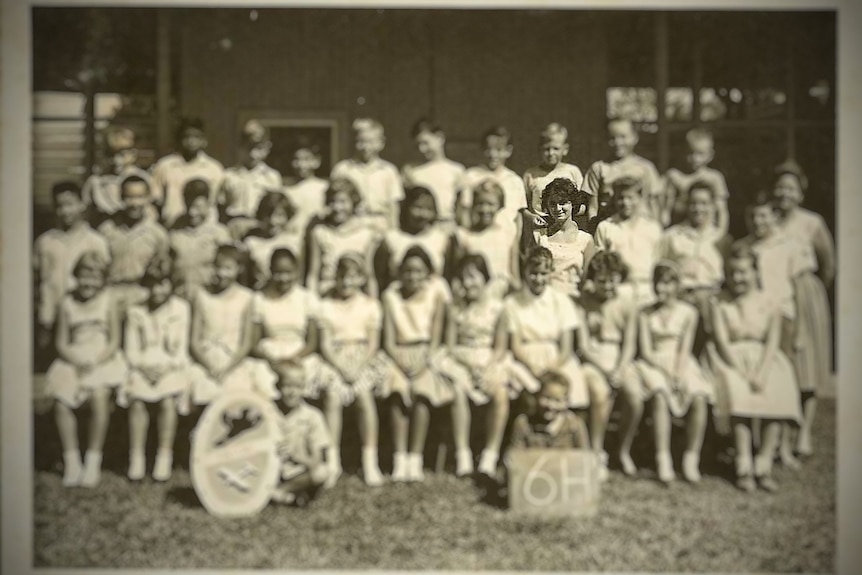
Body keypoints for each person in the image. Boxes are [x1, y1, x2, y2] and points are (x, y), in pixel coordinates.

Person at [707, 243, 801, 492]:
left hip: (765, 358)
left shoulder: (770, 301)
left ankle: (764, 465)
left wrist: (760, 371)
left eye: (744, 272)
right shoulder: (720, 302)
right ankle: (744, 465)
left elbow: (772, 341)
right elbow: (721, 340)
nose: (738, 278)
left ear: (755, 272)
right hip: (730, 358)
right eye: (733, 272)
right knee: (739, 397)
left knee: (776, 392)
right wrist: (740, 369)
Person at [250, 247, 345, 485]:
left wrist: (296, 356)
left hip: (301, 354)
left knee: (332, 388)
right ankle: (271, 456)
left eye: (289, 273)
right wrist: (274, 361)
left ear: (297, 272)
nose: (283, 278)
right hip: (270, 356)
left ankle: (330, 458)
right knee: (260, 388)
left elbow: (313, 341)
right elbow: (254, 341)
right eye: (278, 273)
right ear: (270, 272)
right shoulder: (260, 298)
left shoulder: (306, 298)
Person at [435, 254, 534, 477]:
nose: (468, 283)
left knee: (500, 393)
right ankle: (463, 455)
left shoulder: (499, 308)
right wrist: (469, 368)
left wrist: (486, 367)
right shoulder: (455, 308)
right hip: (460, 359)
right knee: (459, 391)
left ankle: (490, 455)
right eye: (463, 278)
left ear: (485, 279)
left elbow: (500, 346)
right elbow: (449, 346)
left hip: (490, 358)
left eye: (472, 277)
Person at [45, 250, 127, 487]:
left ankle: (93, 461)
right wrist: (76, 359)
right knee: (62, 401)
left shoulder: (109, 301)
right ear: (76, 276)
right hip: (74, 357)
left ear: (103, 280)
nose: (88, 282)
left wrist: (97, 360)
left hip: (102, 357)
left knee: (99, 396)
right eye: (84, 276)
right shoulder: (67, 303)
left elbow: (114, 341)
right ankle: (72, 461)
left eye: (95, 277)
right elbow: (61, 342)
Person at [772, 160, 834, 457]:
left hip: (806, 293)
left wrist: (812, 290)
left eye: (791, 188)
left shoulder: (812, 222)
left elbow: (828, 263)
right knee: (784, 365)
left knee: (807, 366)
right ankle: (780, 433)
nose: (784, 193)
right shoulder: (768, 219)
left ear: (801, 192)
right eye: (780, 187)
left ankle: (804, 433)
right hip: (777, 294)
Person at [635, 261, 714, 484]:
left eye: (668, 285)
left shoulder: (689, 312)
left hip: (681, 361)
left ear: (677, 286)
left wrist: (678, 373)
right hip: (652, 364)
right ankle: (663, 458)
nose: (662, 290)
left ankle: (691, 457)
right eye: (658, 284)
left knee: (698, 395)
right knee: (659, 395)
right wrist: (665, 373)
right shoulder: (645, 313)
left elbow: (685, 347)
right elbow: (646, 350)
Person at [381, 246, 453, 482]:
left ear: (427, 275)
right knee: (397, 392)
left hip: (426, 354)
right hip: (398, 353)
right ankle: (399, 459)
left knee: (422, 393)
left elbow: (436, 335)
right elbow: (389, 340)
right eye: (408, 271)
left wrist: (424, 362)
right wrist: (401, 363)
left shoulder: (436, 294)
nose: (413, 276)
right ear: (400, 272)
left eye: (418, 272)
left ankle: (416, 458)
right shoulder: (391, 296)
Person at [318, 253, 390, 486]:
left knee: (364, 396)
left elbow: (372, 343)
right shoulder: (325, 304)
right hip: (335, 359)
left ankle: (369, 461)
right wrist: (340, 367)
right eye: (341, 277)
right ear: (335, 278)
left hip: (362, 358)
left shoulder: (370, 305)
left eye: (352, 278)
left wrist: (357, 367)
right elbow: (325, 343)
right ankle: (332, 462)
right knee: (332, 397)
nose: (346, 283)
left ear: (361, 279)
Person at [120, 254, 193, 482]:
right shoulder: (136, 312)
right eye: (151, 284)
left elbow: (181, 350)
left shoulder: (181, 309)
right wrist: (143, 368)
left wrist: (164, 368)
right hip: (142, 365)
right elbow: (130, 350)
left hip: (171, 365)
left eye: (162, 284)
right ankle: (137, 457)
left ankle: (164, 456)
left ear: (171, 284)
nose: (157, 291)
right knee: (138, 400)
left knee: (167, 400)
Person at [501, 247, 595, 423]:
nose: (538, 279)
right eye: (533, 273)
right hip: (525, 358)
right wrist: (533, 367)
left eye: (543, 273)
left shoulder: (561, 301)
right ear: (525, 271)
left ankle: (571, 436)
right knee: (526, 389)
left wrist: (553, 367)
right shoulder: (512, 303)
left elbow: (566, 348)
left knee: (573, 383)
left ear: (551, 272)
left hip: (556, 357)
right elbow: (515, 345)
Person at [576, 251, 643, 480]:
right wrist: (605, 371)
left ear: (619, 278)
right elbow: (583, 346)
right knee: (599, 393)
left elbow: (630, 344)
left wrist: (619, 369)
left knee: (635, 397)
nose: (606, 285)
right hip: (592, 359)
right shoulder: (584, 302)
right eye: (601, 280)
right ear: (594, 279)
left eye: (612, 279)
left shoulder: (627, 303)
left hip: (619, 359)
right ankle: (596, 451)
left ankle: (623, 450)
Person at [187, 244, 277, 408]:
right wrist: (209, 367)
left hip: (234, 360)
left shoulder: (247, 297)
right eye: (218, 267)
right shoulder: (202, 295)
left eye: (228, 268)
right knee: (201, 388)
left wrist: (227, 368)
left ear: (239, 269)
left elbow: (245, 343)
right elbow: (194, 341)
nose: (222, 273)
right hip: (205, 360)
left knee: (238, 393)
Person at [33, 181, 111, 367]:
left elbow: (104, 282)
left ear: (81, 205)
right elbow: (37, 281)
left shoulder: (96, 241)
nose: (65, 211)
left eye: (70, 204)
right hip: (51, 317)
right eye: (59, 206)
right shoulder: (45, 242)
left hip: (83, 318)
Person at [658, 180, 726, 352]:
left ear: (712, 206)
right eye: (694, 203)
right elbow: (660, 269)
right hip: (681, 299)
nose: (698, 209)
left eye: (704, 203)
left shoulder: (721, 239)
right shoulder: (672, 236)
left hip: (712, 303)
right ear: (687, 205)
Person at [98, 175, 170, 313]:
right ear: (121, 197)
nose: (134, 203)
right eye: (129, 197)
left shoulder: (158, 234)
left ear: (148, 198)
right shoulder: (106, 230)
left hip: (142, 295)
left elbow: (162, 271)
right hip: (111, 293)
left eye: (140, 197)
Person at [270, 360, 332, 507]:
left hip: (296, 473)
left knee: (322, 472)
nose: (292, 392)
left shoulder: (313, 416)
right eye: (287, 386)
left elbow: (315, 461)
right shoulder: (268, 411)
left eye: (297, 387)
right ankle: (284, 497)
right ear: (277, 386)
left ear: (304, 388)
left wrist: (295, 456)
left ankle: (279, 492)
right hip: (270, 470)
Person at [594, 176, 663, 308]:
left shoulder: (653, 228)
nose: (625, 203)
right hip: (617, 290)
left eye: (630, 197)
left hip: (648, 290)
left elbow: (659, 260)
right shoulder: (606, 227)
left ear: (640, 198)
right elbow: (600, 264)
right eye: (620, 198)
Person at [582, 117, 662, 227]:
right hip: (609, 229)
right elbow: (592, 208)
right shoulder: (599, 168)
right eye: (612, 138)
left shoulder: (646, 168)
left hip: (640, 228)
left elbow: (653, 205)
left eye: (623, 137)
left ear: (635, 137)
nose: (617, 142)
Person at [522, 178, 595, 298]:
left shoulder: (585, 240)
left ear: (572, 203)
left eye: (562, 202)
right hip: (544, 299)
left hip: (573, 300)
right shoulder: (539, 236)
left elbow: (588, 279)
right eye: (552, 204)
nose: (557, 208)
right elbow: (529, 270)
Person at [307, 178, 381, 297]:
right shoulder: (320, 232)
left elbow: (369, 275)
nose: (337, 207)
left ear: (353, 202)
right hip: (327, 295)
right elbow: (313, 274)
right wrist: (313, 304)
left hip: (355, 296)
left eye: (343, 202)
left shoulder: (366, 234)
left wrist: (373, 303)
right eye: (333, 202)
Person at [150, 117, 224, 227]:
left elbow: (217, 203)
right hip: (172, 227)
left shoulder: (214, 168)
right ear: (179, 140)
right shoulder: (165, 166)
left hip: (204, 229)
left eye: (196, 137)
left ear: (204, 141)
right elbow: (156, 200)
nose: (191, 141)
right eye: (186, 137)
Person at [373, 185, 451, 291]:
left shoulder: (442, 239)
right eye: (417, 207)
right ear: (407, 207)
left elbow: (449, 276)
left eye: (428, 209)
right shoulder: (391, 238)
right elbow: (380, 278)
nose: (422, 214)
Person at [331, 118, 403, 230]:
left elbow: (393, 206)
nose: (365, 147)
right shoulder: (343, 169)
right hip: (352, 223)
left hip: (380, 223)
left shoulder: (389, 171)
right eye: (360, 141)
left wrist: (394, 231)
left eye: (370, 142)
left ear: (381, 143)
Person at [452, 179, 520, 298]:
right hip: (474, 297)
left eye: (490, 204)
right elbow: (457, 277)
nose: (485, 209)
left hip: (501, 296)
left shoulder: (508, 233)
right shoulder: (465, 236)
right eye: (480, 204)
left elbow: (514, 274)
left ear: (500, 206)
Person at [217, 119, 282, 240]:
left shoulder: (272, 177)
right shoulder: (229, 175)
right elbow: (221, 208)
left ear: (267, 148)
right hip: (233, 226)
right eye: (248, 148)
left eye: (258, 148)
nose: (252, 154)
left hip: (260, 227)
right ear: (240, 147)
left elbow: (276, 207)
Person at [169, 178, 231, 300]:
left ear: (208, 204)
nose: (192, 212)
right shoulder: (174, 231)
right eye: (189, 206)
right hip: (180, 297)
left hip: (209, 297)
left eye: (198, 207)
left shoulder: (220, 234)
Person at [456, 125, 527, 228]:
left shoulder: (514, 181)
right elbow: (464, 211)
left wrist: (516, 243)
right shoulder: (471, 176)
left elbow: (518, 218)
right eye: (488, 149)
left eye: (498, 150)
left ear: (508, 151)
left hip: (505, 239)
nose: (493, 154)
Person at [81, 126, 154, 225]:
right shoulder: (96, 181)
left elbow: (150, 212)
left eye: (121, 154)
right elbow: (86, 212)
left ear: (133, 153)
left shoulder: (143, 178)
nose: (115, 160)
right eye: (111, 154)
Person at [664, 128, 730, 233]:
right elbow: (666, 208)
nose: (695, 158)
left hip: (707, 230)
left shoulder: (714, 177)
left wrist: (721, 234)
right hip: (680, 230)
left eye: (700, 154)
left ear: (710, 155)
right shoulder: (674, 176)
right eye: (690, 153)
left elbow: (721, 210)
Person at [522, 122, 589, 226]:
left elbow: (584, 204)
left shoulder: (572, 171)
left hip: (567, 229)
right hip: (541, 229)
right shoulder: (531, 174)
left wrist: (565, 213)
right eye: (546, 149)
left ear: (565, 149)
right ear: (539, 149)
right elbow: (522, 206)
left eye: (556, 148)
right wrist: (531, 217)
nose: (550, 153)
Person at [402, 118, 465, 224]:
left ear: (440, 138)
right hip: (420, 225)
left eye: (425, 143)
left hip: (446, 223)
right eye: (418, 145)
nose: (422, 149)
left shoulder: (456, 170)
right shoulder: (411, 169)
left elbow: (461, 206)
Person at [508, 371, 590, 449]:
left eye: (558, 400)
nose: (551, 406)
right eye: (546, 398)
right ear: (537, 396)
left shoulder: (575, 426)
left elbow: (584, 457)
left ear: (566, 402)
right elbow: (514, 458)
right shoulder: (524, 424)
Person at [242, 191, 304, 289]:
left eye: (279, 215)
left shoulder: (294, 242)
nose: (273, 221)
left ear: (287, 216)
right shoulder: (251, 243)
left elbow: (300, 277)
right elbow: (245, 281)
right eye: (267, 215)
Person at [283, 137, 329, 234]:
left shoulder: (324, 188)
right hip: (294, 238)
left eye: (306, 159)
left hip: (316, 238)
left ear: (317, 161)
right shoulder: (286, 190)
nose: (301, 164)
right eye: (296, 159)